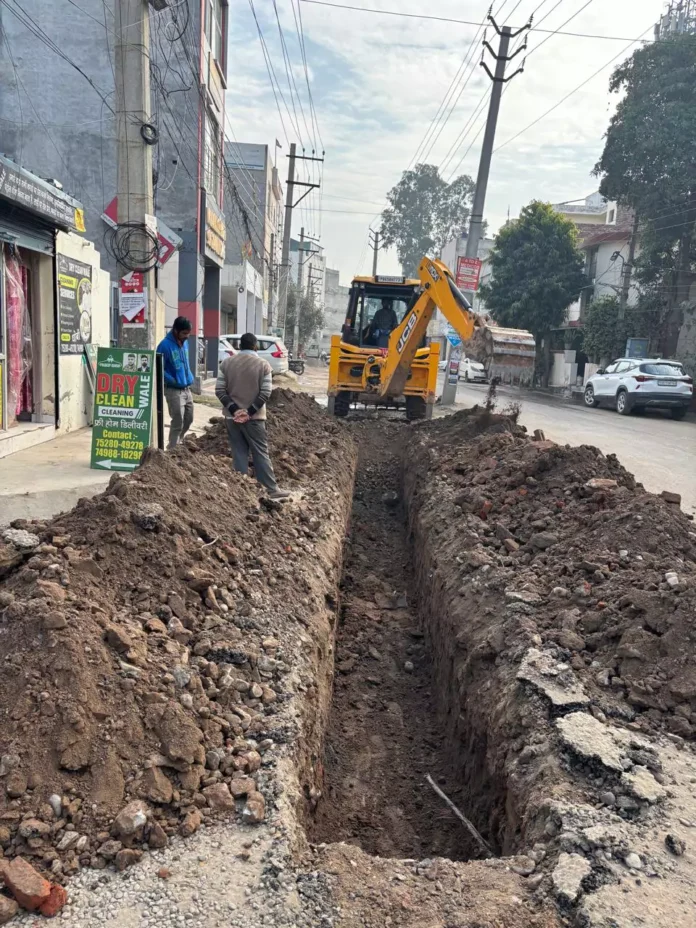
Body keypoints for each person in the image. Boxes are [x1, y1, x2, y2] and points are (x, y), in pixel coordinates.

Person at [215, 333, 289, 499]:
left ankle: (240, 492)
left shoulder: (226, 364)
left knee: (239, 452)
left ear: (240, 346)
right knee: (260, 451)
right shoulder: (263, 365)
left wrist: (235, 410)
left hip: (231, 418)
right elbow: (265, 393)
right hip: (255, 419)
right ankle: (271, 489)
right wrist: (248, 412)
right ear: (255, 346)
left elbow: (219, 390)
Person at [157, 316, 195, 449]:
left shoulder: (185, 343)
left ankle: (178, 441)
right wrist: (172, 380)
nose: (187, 336)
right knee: (177, 421)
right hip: (173, 390)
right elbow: (158, 367)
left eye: (188, 333)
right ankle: (172, 449)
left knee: (189, 418)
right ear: (175, 330)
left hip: (186, 388)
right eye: (184, 333)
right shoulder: (164, 345)